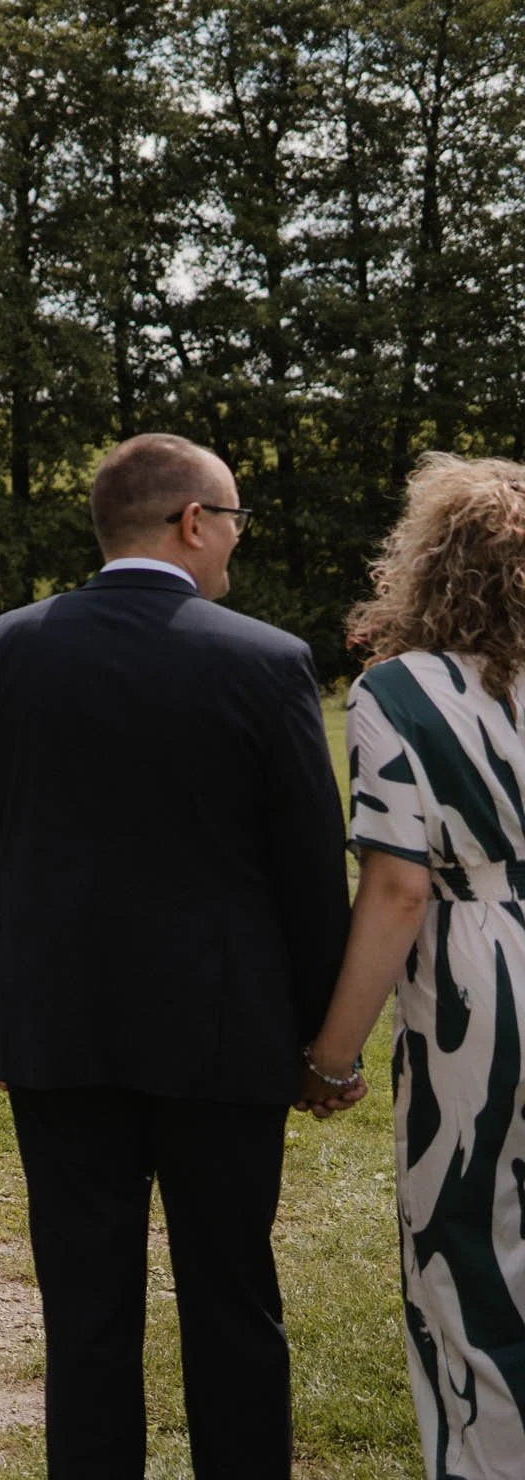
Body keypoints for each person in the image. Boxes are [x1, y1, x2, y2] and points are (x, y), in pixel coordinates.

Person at [0, 433, 349, 1479]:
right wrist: (321, 1032)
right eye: (237, 521)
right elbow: (308, 869)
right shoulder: (267, 660)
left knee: (85, 1308)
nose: (237, 546)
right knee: (233, 1299)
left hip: (54, 1026)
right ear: (193, 522)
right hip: (225, 1035)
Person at [297, 455, 525, 1477]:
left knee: (469, 1249)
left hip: (480, 988)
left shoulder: (398, 691)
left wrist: (333, 1055)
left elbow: (397, 890)